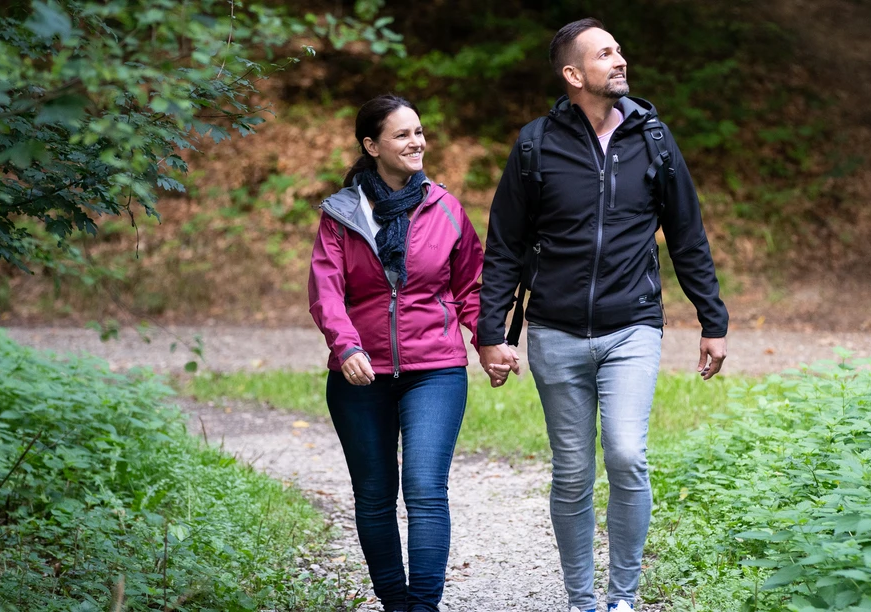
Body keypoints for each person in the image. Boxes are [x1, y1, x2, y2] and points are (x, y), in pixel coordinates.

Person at [475, 18, 730, 612]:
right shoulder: (535, 144)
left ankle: (623, 597)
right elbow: (505, 244)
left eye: (619, 49)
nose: (620, 60)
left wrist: (712, 320)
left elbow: (687, 234)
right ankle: (581, 599)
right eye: (605, 53)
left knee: (626, 455)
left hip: (632, 325)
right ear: (573, 74)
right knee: (571, 472)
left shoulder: (654, 139)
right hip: (554, 330)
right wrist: (491, 333)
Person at [307, 94, 483, 612]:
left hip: (436, 369)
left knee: (425, 489)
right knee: (375, 495)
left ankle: (423, 606)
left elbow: (471, 286)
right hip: (359, 374)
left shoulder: (445, 208)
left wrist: (489, 342)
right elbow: (326, 291)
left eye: (419, 132)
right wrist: (346, 347)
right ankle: (395, 603)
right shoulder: (342, 214)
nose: (417, 142)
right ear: (372, 145)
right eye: (403, 134)